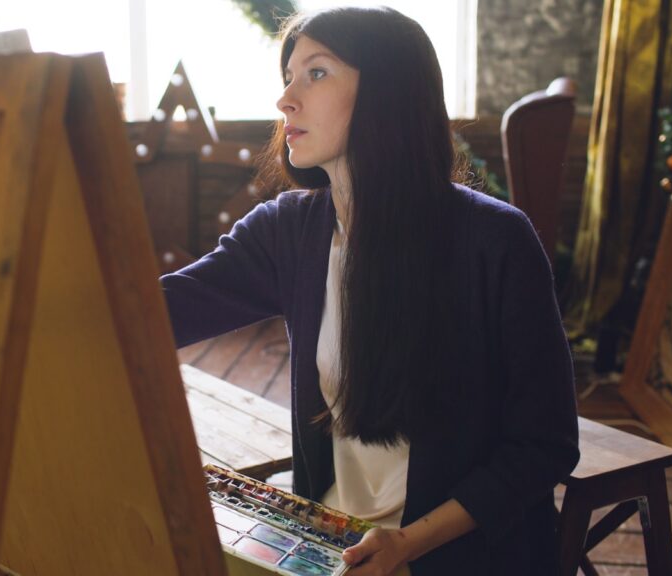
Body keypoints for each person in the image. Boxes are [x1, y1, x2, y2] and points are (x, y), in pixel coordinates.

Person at [161, 6, 579, 575]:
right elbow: (158, 313)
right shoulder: (289, 230)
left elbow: (545, 444)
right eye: (288, 76)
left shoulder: (495, 240)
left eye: (316, 73)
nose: (286, 99)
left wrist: (409, 546)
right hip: (326, 545)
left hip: (455, 555)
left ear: (387, 92)